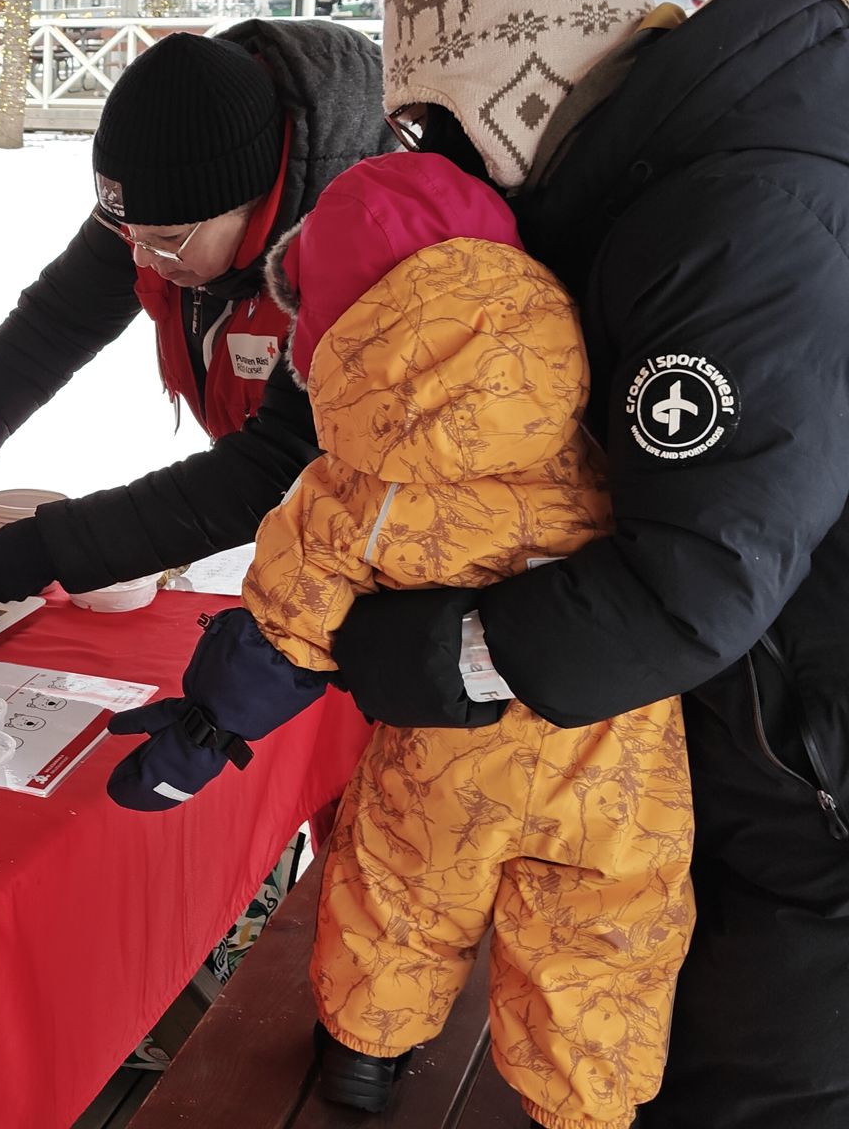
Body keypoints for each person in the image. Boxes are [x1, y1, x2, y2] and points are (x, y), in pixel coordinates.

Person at [327, 0, 849, 1127]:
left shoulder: (725, 222)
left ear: (513, 87)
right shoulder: (639, 186)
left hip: (809, 804)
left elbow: (697, 580)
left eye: (429, 121)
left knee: (728, 1096)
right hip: (735, 738)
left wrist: (440, 653)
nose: (429, 161)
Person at [106, 152, 693, 1129]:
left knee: (399, 894)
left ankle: (364, 1054)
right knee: (600, 939)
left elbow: (286, 625)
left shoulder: (354, 489)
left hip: (442, 761)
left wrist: (207, 730)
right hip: (612, 754)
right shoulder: (602, 430)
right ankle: (585, 1109)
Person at [0, 20, 393, 632]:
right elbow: (53, 326)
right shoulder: (170, 195)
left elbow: (285, 462)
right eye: (129, 235)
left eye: (167, 240)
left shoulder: (367, 245)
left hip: (403, 553)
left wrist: (54, 546)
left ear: (257, 200)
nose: (144, 260)